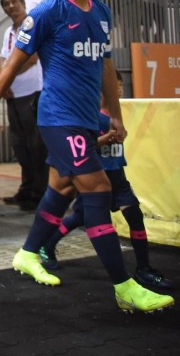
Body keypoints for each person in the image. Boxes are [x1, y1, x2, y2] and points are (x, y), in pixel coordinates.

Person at [0, 0, 173, 314]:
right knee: (97, 189)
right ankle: (124, 286)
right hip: (58, 118)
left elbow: (106, 68)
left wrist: (115, 115)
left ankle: (28, 252)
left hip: (85, 120)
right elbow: (13, 64)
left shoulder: (101, 12)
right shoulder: (49, 12)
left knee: (60, 187)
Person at [38, 70, 173, 292]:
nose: (118, 90)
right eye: (114, 86)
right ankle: (48, 244)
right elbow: (86, 147)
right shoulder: (92, 117)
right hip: (96, 179)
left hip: (118, 177)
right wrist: (107, 138)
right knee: (79, 216)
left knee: (135, 217)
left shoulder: (116, 116)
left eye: (119, 86)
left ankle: (143, 268)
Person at [0, 0, 46, 209]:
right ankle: (26, 189)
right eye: (6, 4)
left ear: (23, 3)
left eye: (14, 2)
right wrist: (2, 81)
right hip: (13, 96)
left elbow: (32, 58)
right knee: (20, 145)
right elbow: (3, 59)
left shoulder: (31, 25)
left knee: (36, 145)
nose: (11, 6)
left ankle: (40, 193)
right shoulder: (8, 32)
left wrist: (7, 79)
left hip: (31, 93)